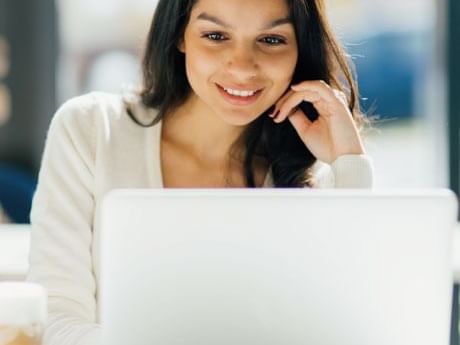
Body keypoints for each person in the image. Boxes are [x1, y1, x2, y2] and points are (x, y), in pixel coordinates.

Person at [27, 0, 374, 344]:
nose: (242, 67)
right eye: (215, 35)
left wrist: (348, 161)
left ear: (300, 49)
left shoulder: (315, 175)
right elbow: (56, 321)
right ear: (180, 35)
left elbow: (353, 322)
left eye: (271, 40)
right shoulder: (91, 131)